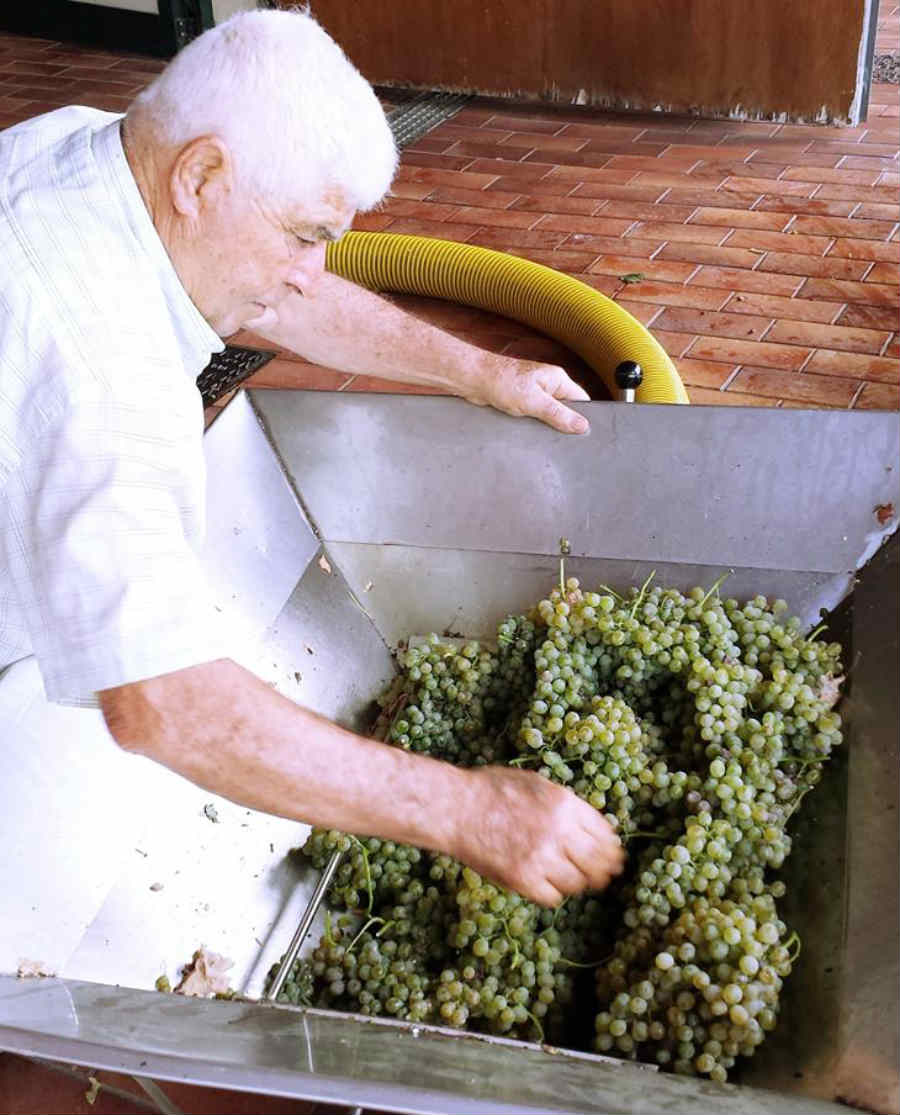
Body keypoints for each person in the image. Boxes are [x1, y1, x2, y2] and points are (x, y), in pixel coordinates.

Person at [0, 9, 622, 962]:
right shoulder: (99, 370)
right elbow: (161, 700)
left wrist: (477, 370)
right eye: (302, 234)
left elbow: (285, 295)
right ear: (201, 176)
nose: (309, 271)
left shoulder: (94, 155)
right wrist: (468, 809)